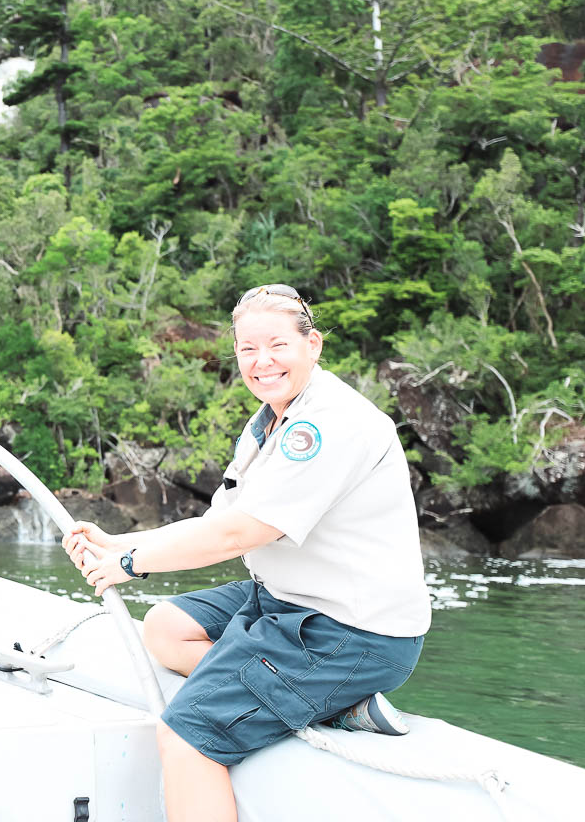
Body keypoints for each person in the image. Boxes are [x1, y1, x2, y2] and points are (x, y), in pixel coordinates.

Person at [64, 284, 431, 822]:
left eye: (277, 345)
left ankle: (319, 694)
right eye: (247, 349)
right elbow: (221, 521)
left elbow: (241, 535)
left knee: (186, 738)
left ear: (314, 346)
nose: (262, 362)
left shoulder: (328, 424)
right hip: (286, 600)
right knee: (165, 628)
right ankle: (329, 707)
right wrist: (122, 542)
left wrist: (128, 565)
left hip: (350, 632)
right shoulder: (269, 422)